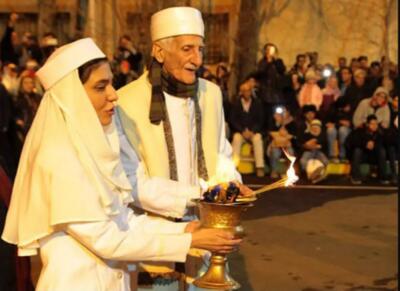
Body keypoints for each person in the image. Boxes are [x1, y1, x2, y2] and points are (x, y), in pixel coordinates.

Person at [1, 38, 242, 291]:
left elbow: (125, 220)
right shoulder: (57, 155)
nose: (113, 95)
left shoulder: (92, 145)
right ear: (72, 96)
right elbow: (106, 239)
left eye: (111, 84)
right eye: (100, 86)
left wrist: (186, 229)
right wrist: (190, 240)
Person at [116, 7, 252, 290]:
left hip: (208, 233)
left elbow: (221, 154)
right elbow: (131, 181)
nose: (197, 60)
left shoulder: (211, 93)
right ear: (159, 51)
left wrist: (230, 186)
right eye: (187, 49)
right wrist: (201, 195)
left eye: (200, 49)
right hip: (154, 237)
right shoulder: (127, 101)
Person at [230, 81, 265, 177]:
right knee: (236, 138)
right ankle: (234, 167)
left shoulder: (257, 103)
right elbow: (233, 120)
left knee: (258, 138)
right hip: (241, 132)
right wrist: (242, 131)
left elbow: (260, 120)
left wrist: (252, 131)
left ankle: (260, 167)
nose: (247, 93)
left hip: (253, 132)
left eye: (248, 90)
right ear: (241, 92)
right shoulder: (236, 103)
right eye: (244, 91)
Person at [346, 115, 389, 184]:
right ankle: (355, 177)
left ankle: (382, 177)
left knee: (382, 151)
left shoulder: (380, 132)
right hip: (363, 156)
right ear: (367, 124)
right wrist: (365, 144)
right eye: (372, 124)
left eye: (376, 124)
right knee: (357, 150)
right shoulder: (359, 131)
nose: (374, 126)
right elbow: (350, 142)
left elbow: (385, 142)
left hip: (374, 156)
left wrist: (374, 144)